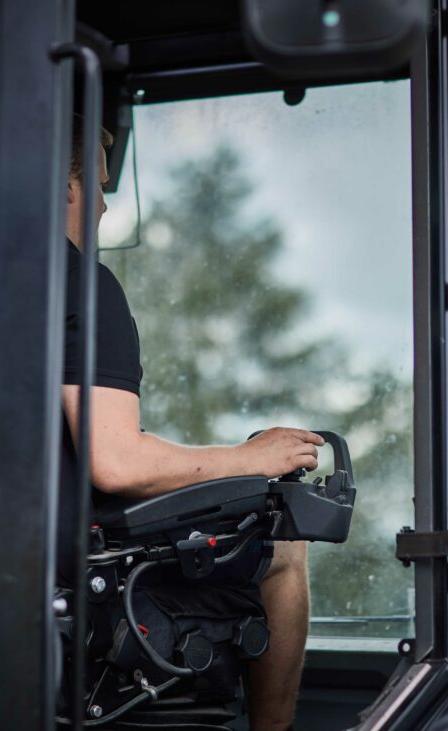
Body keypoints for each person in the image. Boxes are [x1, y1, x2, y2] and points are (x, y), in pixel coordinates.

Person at [57, 118, 321, 731]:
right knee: (286, 537)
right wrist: (249, 458)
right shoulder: (77, 285)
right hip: (79, 567)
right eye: (96, 185)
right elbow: (116, 462)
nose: (102, 204)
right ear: (61, 188)